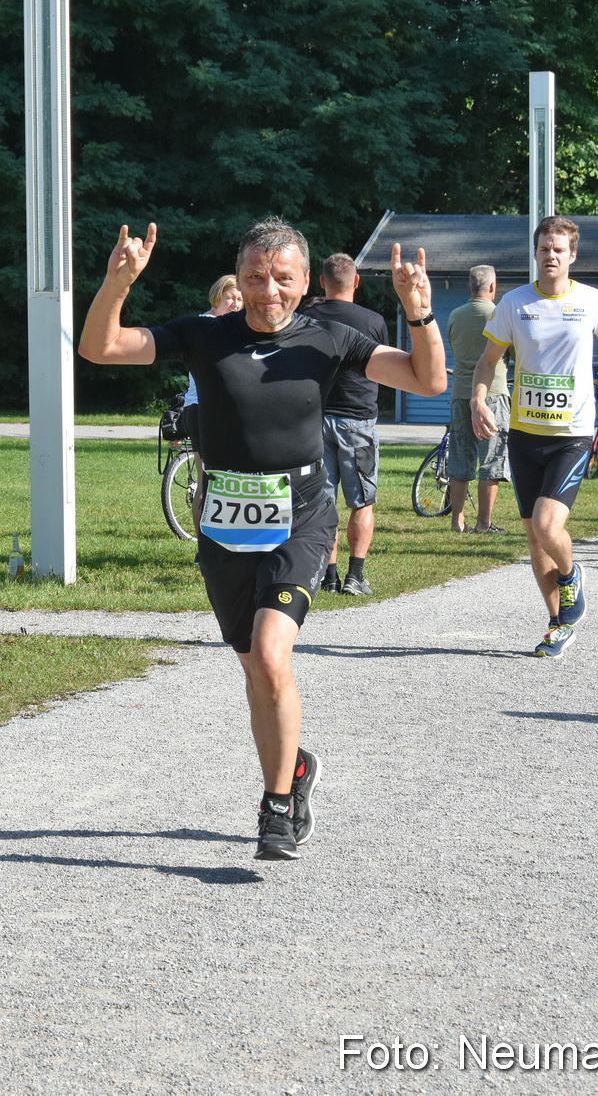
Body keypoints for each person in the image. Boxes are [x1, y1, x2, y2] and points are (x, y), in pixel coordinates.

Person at [79, 219, 444, 861]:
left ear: (305, 282)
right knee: (256, 668)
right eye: (255, 276)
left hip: (301, 514)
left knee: (273, 656)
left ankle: (276, 807)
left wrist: (420, 315)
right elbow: (100, 347)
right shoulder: (203, 335)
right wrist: (117, 282)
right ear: (239, 278)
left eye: (282, 277)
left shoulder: (331, 335)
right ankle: (295, 765)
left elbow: (427, 380)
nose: (267, 290)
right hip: (222, 521)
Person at [472, 215, 598, 658]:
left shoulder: (594, 301)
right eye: (544, 248)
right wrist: (478, 400)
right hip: (524, 433)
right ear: (536, 252)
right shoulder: (515, 303)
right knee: (534, 537)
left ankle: (572, 572)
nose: (551, 255)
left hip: (572, 433)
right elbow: (488, 360)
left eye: (559, 249)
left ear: (572, 255)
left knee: (547, 524)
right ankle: (558, 624)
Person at [308, 254, 389, 596]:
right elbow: (385, 366)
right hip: (358, 419)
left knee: (321, 502)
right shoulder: (373, 320)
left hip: (314, 419)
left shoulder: (304, 317)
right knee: (361, 501)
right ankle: (355, 576)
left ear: (321, 282)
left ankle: (328, 575)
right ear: (356, 282)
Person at [445, 264, 508, 534]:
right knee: (492, 461)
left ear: (469, 287)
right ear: (492, 288)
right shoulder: (499, 314)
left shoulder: (455, 316)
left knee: (460, 458)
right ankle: (484, 522)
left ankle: (457, 519)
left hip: (461, 395)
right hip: (492, 394)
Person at [179, 274, 243, 442]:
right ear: (217, 298)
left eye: (240, 299)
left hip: (224, 407)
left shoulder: (230, 326)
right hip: (203, 407)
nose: (235, 304)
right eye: (229, 298)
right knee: (211, 466)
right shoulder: (206, 325)